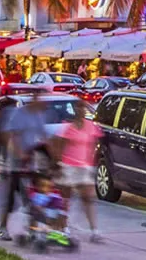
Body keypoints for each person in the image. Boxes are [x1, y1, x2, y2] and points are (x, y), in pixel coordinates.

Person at [0, 91, 54, 240]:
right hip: (16, 164)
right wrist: (20, 153)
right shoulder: (20, 114)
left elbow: (44, 137)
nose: (45, 106)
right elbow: (11, 136)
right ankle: (3, 228)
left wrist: (51, 158)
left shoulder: (39, 115)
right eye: (43, 102)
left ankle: (32, 229)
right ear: (35, 100)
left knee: (34, 198)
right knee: (11, 200)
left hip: (31, 163)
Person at [51, 100, 104, 241]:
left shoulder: (90, 126)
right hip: (69, 166)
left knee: (87, 198)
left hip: (84, 166)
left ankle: (95, 231)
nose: (80, 111)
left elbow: (95, 144)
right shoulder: (68, 127)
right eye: (78, 108)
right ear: (74, 111)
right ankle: (64, 227)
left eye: (82, 108)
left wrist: (92, 162)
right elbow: (59, 146)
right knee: (65, 199)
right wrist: (58, 164)